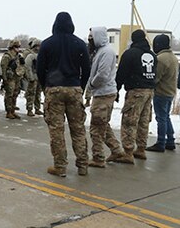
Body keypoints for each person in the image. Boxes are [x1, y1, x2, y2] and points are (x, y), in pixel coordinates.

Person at [36, 12, 91, 177]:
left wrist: (46, 86)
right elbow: (86, 69)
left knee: (56, 130)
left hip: (54, 89)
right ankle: (83, 165)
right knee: (78, 129)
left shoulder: (47, 44)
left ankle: (60, 166)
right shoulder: (80, 44)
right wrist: (79, 86)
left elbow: (39, 69)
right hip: (74, 88)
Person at [115, 29, 157, 164]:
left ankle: (128, 152)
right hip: (149, 90)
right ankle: (141, 148)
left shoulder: (130, 54)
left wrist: (116, 88)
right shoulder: (152, 55)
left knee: (130, 121)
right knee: (144, 121)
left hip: (136, 91)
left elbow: (121, 73)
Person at [87, 27, 124, 168]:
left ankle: (98, 158)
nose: (89, 40)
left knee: (96, 128)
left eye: (91, 37)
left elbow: (102, 74)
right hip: (102, 93)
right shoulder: (101, 51)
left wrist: (91, 84)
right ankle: (116, 150)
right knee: (103, 125)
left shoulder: (106, 52)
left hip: (103, 94)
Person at [146, 34, 178, 152]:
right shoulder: (173, 57)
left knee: (161, 118)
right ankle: (170, 140)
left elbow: (156, 77)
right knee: (166, 117)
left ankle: (160, 143)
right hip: (170, 92)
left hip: (161, 92)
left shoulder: (161, 59)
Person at [0, 39, 25, 119]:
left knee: (15, 94)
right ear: (12, 47)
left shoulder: (18, 56)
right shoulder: (7, 56)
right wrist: (4, 79)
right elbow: (3, 68)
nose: (18, 48)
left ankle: (13, 110)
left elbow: (21, 67)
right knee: (9, 95)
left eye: (19, 46)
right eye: (16, 46)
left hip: (17, 77)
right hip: (10, 78)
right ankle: (8, 111)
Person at [23, 38, 43, 116]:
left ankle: (37, 108)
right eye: (36, 46)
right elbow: (28, 67)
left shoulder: (42, 55)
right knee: (31, 94)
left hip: (39, 77)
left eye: (39, 46)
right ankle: (29, 109)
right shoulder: (31, 56)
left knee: (38, 94)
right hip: (33, 77)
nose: (38, 48)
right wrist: (30, 77)